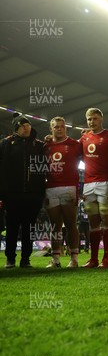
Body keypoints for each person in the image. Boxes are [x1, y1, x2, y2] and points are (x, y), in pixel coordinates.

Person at [0, 113, 45, 268]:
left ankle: (25, 259)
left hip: (33, 196)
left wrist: (40, 193)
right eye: (23, 126)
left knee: (29, 229)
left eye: (28, 125)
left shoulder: (38, 145)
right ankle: (10, 259)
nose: (26, 128)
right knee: (12, 228)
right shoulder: (6, 144)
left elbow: (44, 169)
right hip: (12, 195)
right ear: (16, 128)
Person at [43, 117, 82, 268]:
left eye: (62, 126)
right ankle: (56, 259)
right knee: (55, 226)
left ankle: (74, 258)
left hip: (69, 188)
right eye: (56, 127)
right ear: (51, 129)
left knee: (71, 224)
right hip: (51, 188)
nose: (59, 129)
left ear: (65, 128)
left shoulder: (75, 145)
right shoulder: (45, 146)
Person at [80, 108, 108, 269]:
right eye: (89, 119)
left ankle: (106, 258)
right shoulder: (84, 137)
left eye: (94, 118)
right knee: (93, 222)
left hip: (106, 183)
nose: (91, 122)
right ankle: (93, 259)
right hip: (88, 184)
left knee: (107, 220)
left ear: (101, 119)